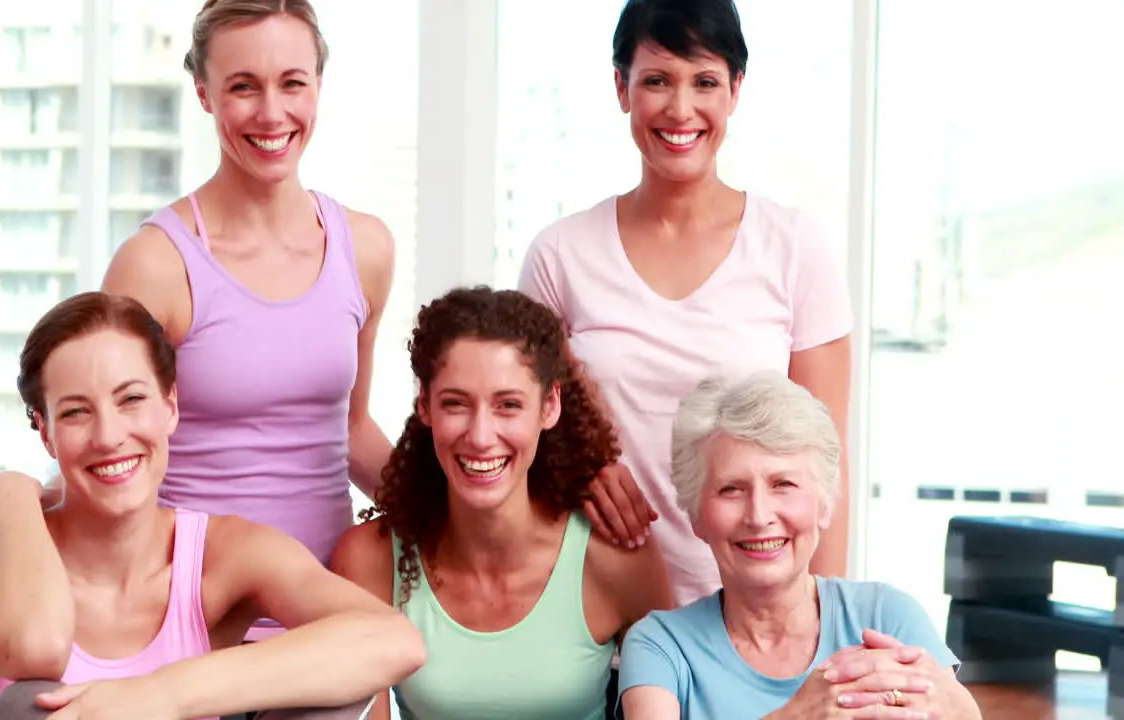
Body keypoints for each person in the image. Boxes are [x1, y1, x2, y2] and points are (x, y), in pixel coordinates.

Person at [0, 292, 425, 720]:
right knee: (30, 704)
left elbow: (393, 641)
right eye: (76, 412)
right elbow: (35, 649)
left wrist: (158, 693)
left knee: (334, 690)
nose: (109, 436)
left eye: (132, 400)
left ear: (170, 405)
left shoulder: (222, 554)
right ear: (45, 432)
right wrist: (10, 492)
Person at [518, 0, 853, 605]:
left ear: (735, 91)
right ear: (621, 88)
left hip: (752, 617)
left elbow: (827, 470)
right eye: (656, 80)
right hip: (592, 613)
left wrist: (820, 632)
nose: (680, 109)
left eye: (704, 81)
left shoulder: (797, 247)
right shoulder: (559, 255)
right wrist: (579, 461)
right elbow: (525, 434)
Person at [100, 0, 395, 590]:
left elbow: (352, 428)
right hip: (193, 609)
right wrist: (11, 505)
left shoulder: (365, 247)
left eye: (292, 83)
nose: (271, 113)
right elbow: (105, 451)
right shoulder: (156, 265)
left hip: (323, 607)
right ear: (204, 92)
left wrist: (465, 520)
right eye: (243, 87)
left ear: (318, 86)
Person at [330, 287, 674, 720]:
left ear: (549, 407)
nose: (480, 435)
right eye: (456, 404)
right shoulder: (369, 562)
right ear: (424, 406)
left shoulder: (616, 559)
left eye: (508, 405)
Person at [616, 372, 981, 720]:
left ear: (824, 504)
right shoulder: (660, 646)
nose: (758, 516)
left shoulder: (887, 616)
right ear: (696, 515)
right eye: (731, 489)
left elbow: (964, 715)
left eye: (783, 484)